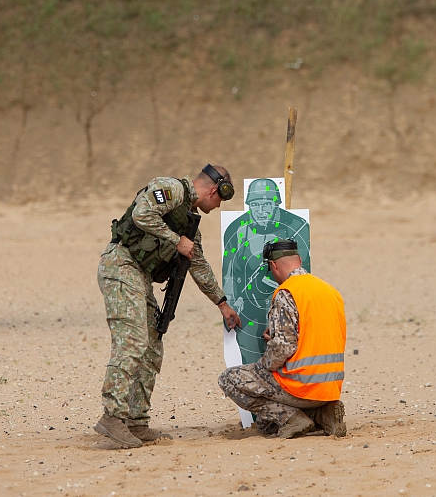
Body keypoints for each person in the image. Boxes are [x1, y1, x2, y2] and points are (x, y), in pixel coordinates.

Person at [95, 164, 243, 449]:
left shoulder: (189, 225)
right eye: (220, 200)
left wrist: (222, 304)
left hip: (140, 276)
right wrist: (177, 241)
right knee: (133, 341)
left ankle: (136, 419)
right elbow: (142, 214)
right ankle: (113, 417)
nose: (219, 205)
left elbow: (197, 265)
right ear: (215, 190)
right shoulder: (171, 188)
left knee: (152, 345)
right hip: (121, 266)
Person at [218, 239, 347, 439]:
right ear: (300, 260)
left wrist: (265, 364)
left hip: (301, 385)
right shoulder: (330, 291)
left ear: (274, 265)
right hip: (330, 386)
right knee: (265, 424)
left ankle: (292, 418)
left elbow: (284, 347)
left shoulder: (287, 292)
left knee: (229, 379)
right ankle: (323, 412)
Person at [222, 178, 311, 364]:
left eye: (267, 205)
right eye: (255, 205)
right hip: (248, 307)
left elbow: (304, 272)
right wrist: (229, 305)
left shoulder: (297, 226)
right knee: (251, 362)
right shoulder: (236, 229)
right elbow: (229, 274)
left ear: (276, 204)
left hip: (286, 305)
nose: (261, 211)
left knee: (288, 360)